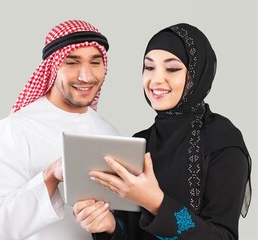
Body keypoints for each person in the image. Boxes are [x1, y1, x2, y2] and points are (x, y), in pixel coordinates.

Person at [73, 23, 252, 240]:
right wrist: (109, 226)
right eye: (149, 67)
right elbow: (130, 232)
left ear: (197, 74)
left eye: (172, 68)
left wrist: (156, 202)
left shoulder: (222, 140)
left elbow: (223, 237)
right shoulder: (140, 142)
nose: (156, 79)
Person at [0, 19, 120, 240]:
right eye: (72, 62)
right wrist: (51, 177)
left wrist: (110, 226)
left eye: (95, 62)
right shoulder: (15, 130)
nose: (86, 76)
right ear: (52, 67)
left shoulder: (110, 133)